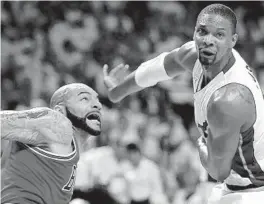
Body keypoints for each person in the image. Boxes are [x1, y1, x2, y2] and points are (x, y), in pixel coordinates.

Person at [103, 4, 264, 204]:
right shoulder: (193, 55)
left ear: (233, 41)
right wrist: (117, 91)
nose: (208, 41)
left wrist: (201, 145)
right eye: (202, 32)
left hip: (253, 190)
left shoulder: (229, 99)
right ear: (194, 32)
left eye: (219, 35)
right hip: (228, 181)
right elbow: (156, 69)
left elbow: (218, 170)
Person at [1, 83, 102, 204]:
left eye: (97, 99)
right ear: (60, 110)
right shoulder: (55, 123)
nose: (98, 105)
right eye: (84, 98)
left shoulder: (69, 143)